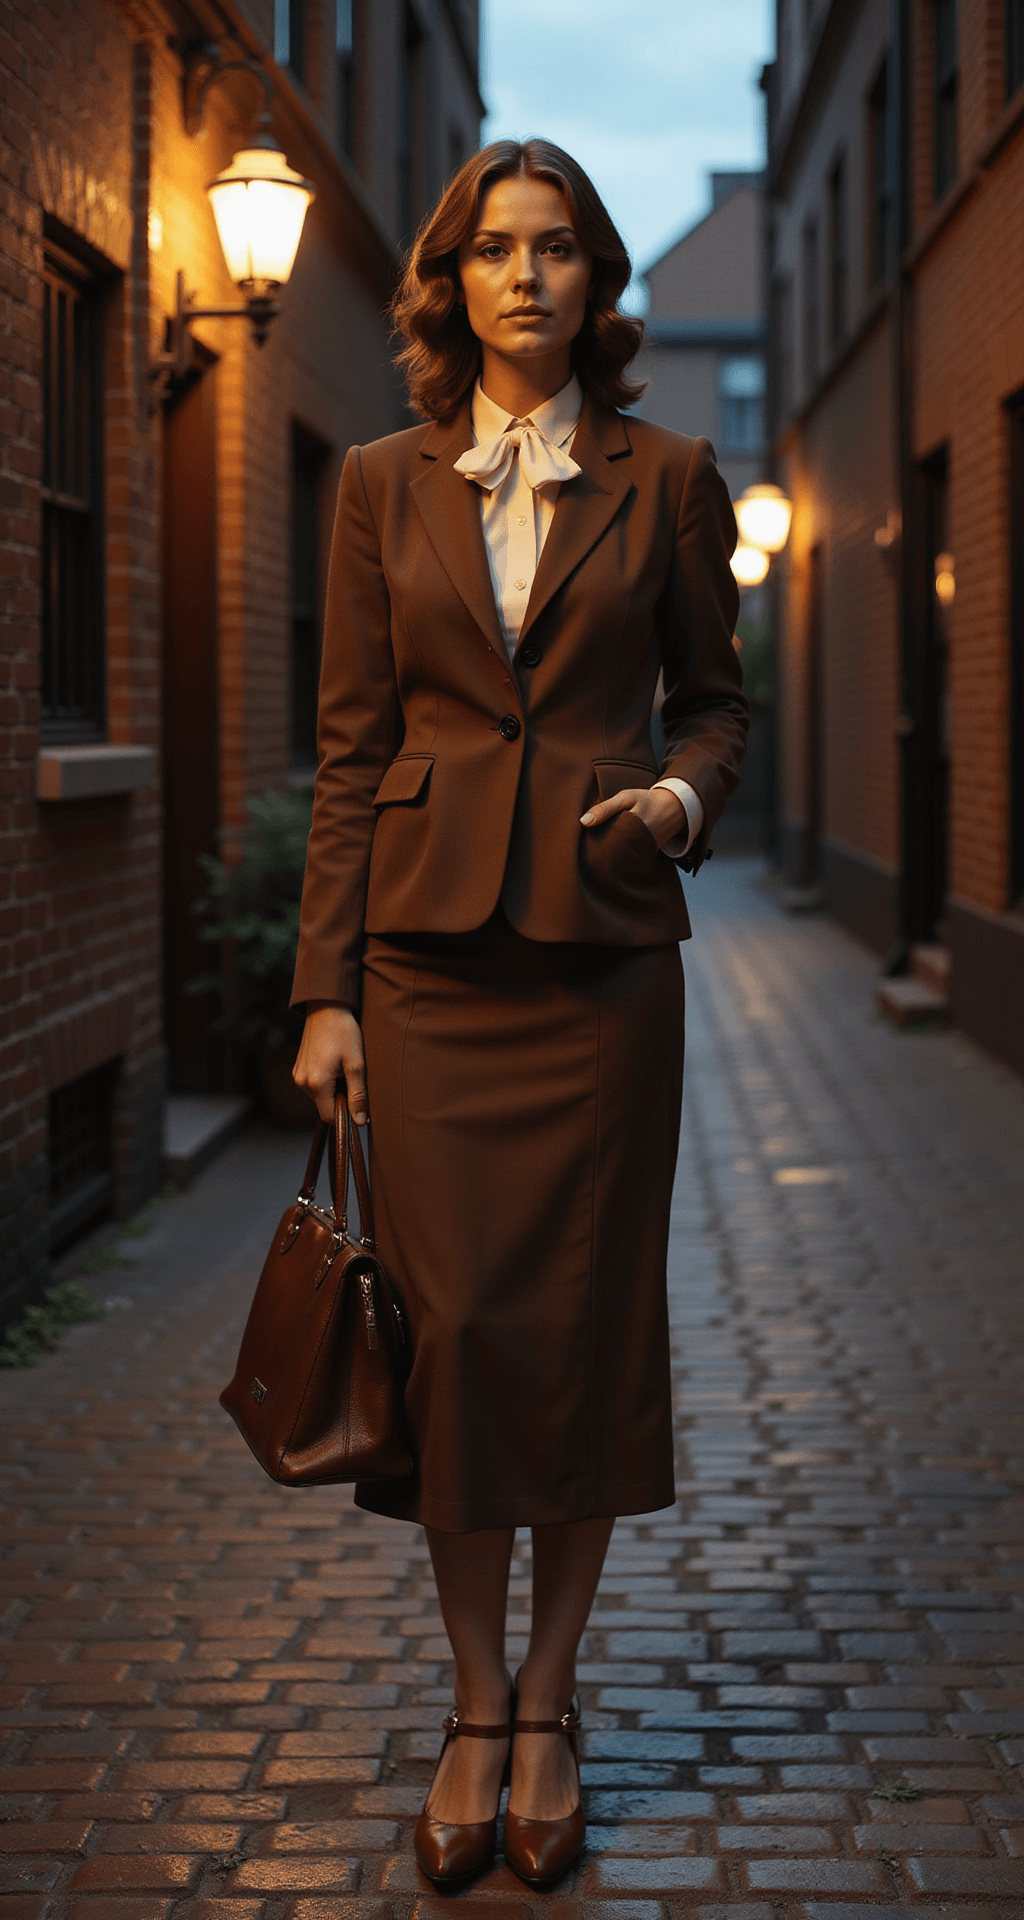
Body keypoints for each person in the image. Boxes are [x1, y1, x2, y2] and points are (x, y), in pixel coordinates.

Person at [291, 138, 748, 1889]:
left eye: (557, 249)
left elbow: (716, 703)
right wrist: (325, 989)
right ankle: (473, 1705)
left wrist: (678, 803)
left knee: (581, 1332)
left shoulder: (671, 474)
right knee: (459, 1337)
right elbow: (352, 748)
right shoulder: (376, 483)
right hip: (423, 967)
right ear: (451, 279)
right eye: (495, 249)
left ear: (595, 279)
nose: (526, 277)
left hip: (602, 960)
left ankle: (548, 1707)